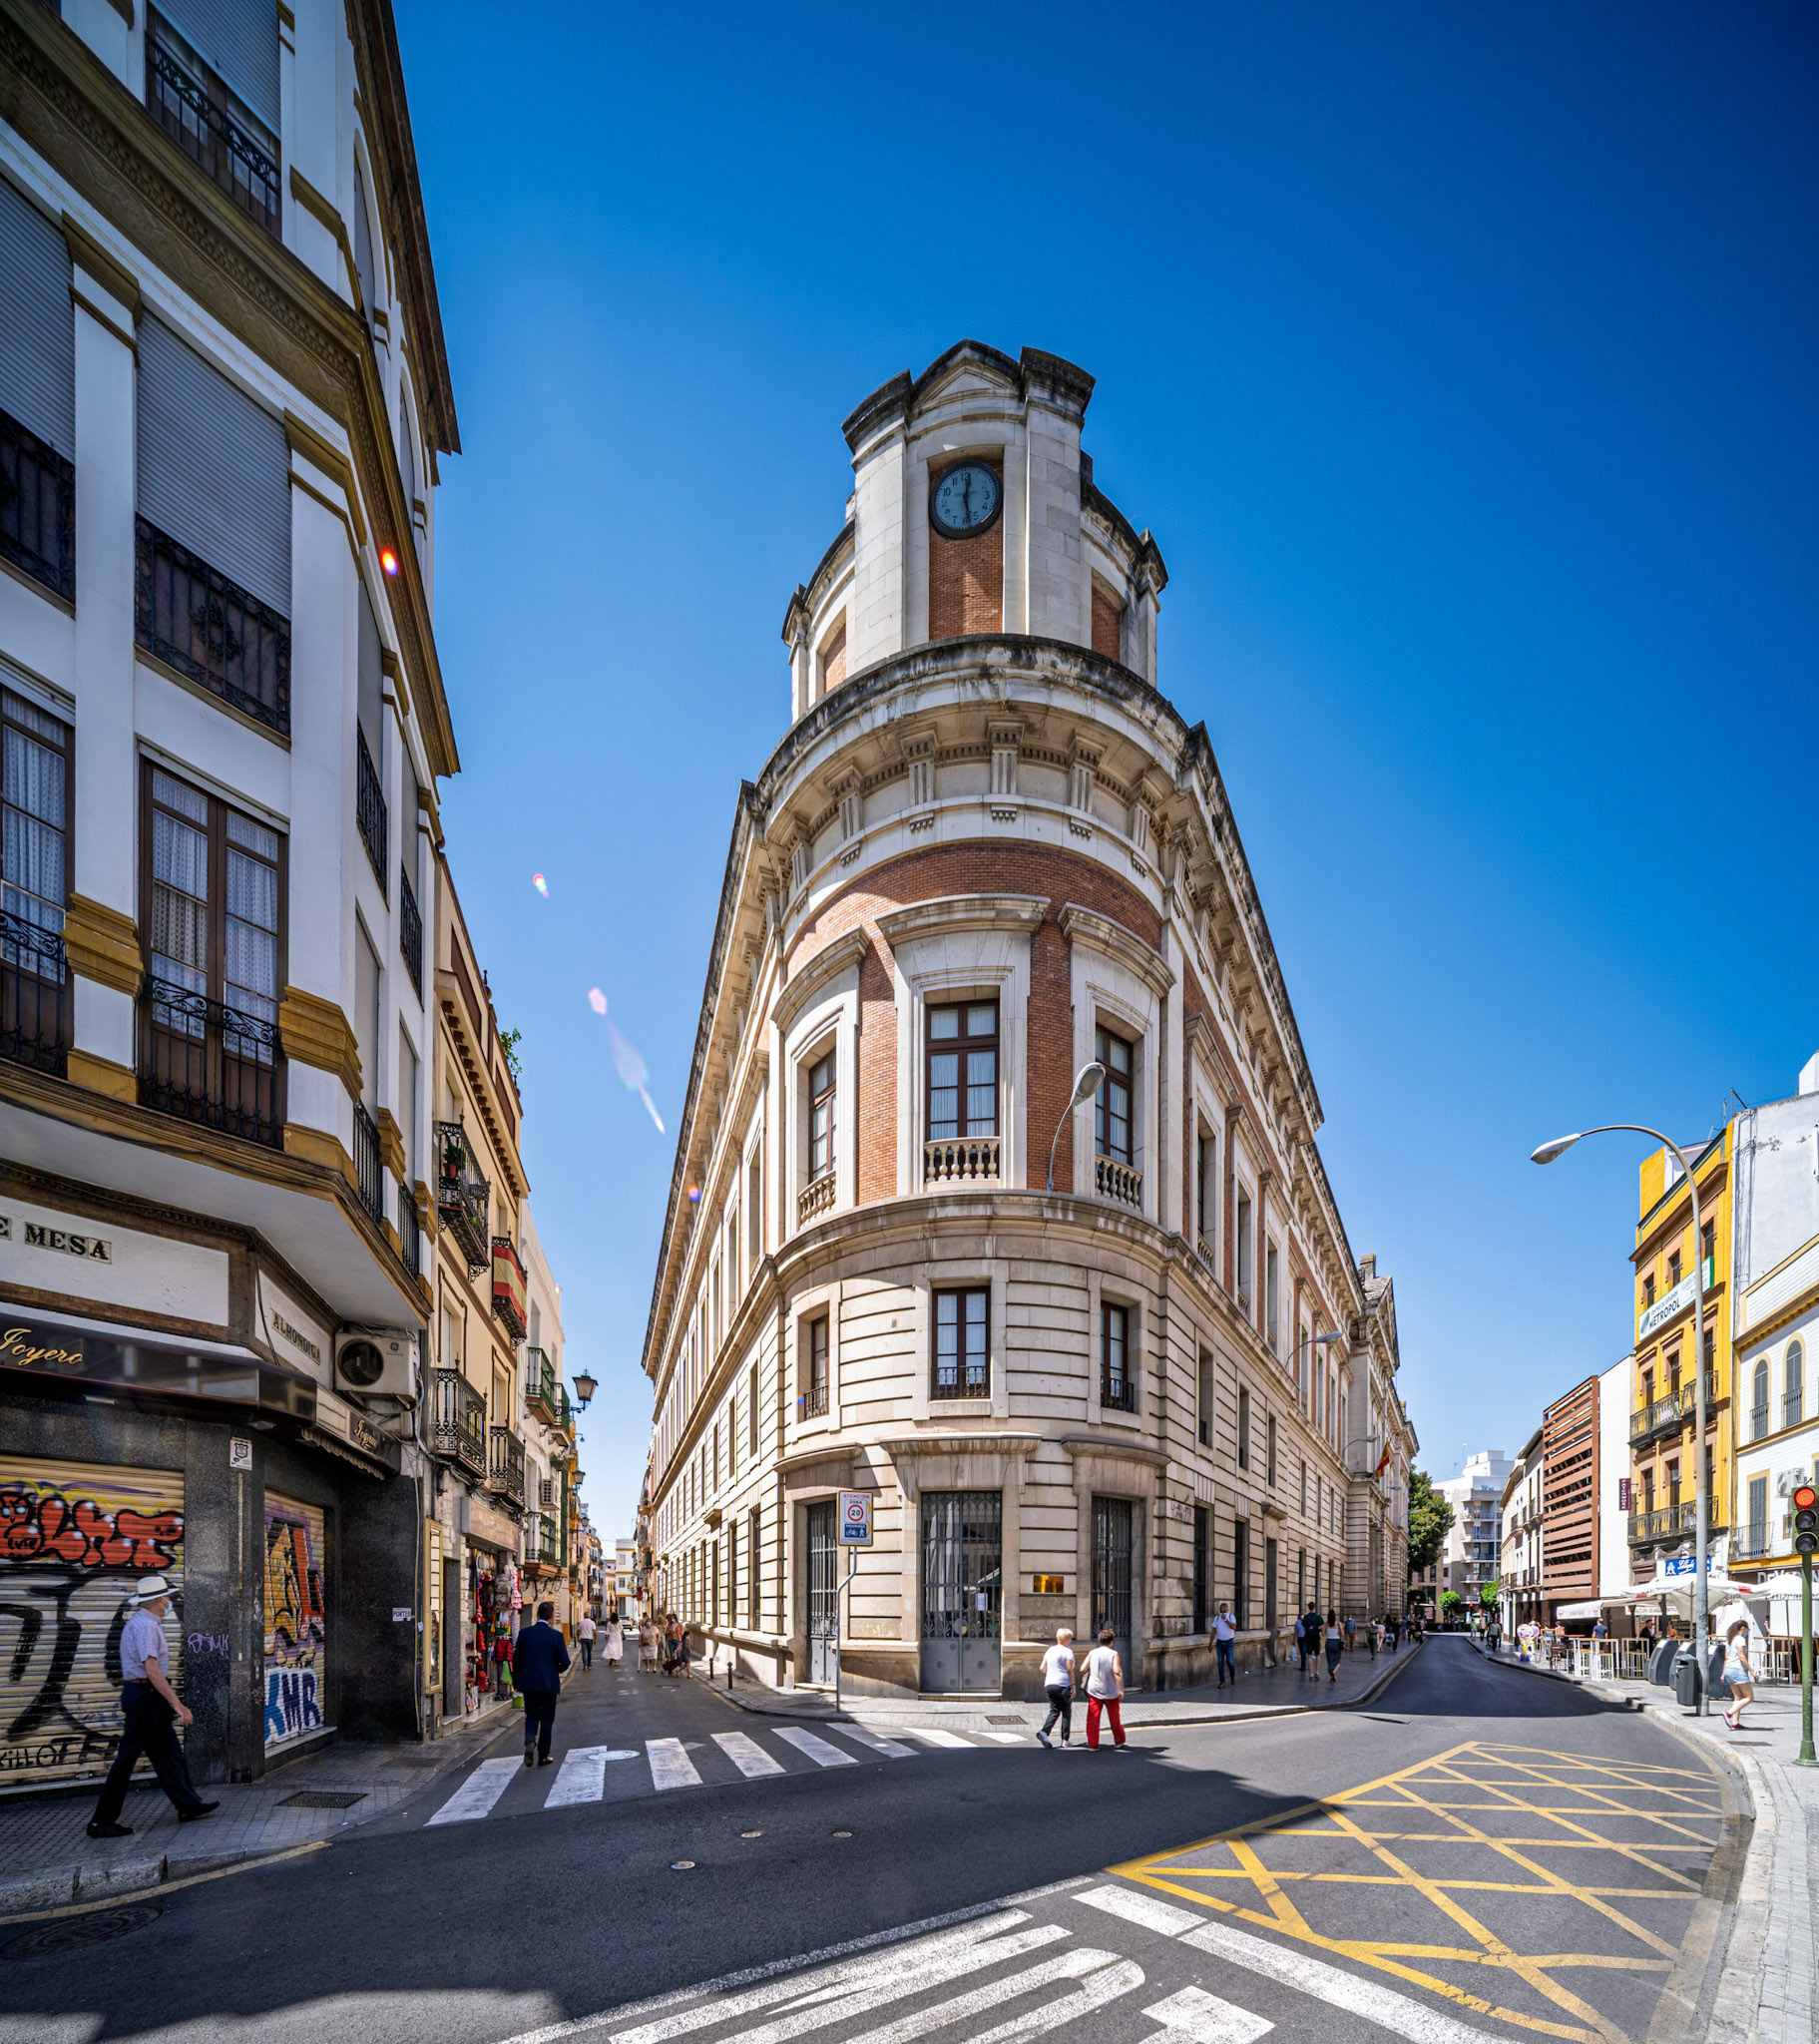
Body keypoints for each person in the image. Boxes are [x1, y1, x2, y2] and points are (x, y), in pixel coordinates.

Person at [88, 1574, 219, 1838]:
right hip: (144, 1697)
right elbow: (151, 1669)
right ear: (159, 1599)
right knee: (125, 1762)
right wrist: (178, 1704)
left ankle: (188, 1805)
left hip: (147, 1697)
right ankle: (100, 1822)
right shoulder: (146, 1626)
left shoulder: (144, 1623)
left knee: (169, 1754)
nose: (169, 1601)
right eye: (168, 1597)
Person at [512, 1599, 572, 1768]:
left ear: (537, 1615)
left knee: (531, 1715)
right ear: (551, 1617)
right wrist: (556, 1670)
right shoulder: (556, 1636)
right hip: (548, 1684)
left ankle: (530, 1742)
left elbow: (516, 1661)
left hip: (528, 1683)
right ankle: (543, 1755)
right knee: (546, 1719)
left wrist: (517, 1682)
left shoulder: (524, 1634)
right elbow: (566, 1662)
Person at [1083, 1628, 1128, 1750]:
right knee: (1114, 1718)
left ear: (1099, 1640)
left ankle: (1092, 1744)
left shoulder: (1092, 1652)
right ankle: (1119, 1741)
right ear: (1112, 1642)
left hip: (1093, 1689)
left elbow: (1082, 1668)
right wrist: (1121, 1689)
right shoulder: (1113, 1654)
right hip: (1110, 1689)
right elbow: (1117, 1672)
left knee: (1093, 1718)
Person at [1036, 1629, 1077, 1748]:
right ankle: (1065, 1740)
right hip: (1063, 1684)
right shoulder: (1067, 1651)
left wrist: (1052, 1673)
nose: (1071, 1641)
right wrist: (1073, 1686)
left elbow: (1042, 1668)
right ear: (1067, 1639)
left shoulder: (1050, 1650)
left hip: (1049, 1684)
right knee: (1066, 1711)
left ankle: (1044, 1732)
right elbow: (1069, 1669)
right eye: (1070, 1639)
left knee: (1054, 1710)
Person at [1722, 1622, 1756, 1731]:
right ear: (1742, 1628)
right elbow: (1741, 1656)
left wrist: (1723, 1673)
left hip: (1729, 1670)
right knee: (1749, 1697)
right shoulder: (1740, 1639)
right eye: (1747, 1629)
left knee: (1738, 1697)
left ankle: (1735, 1723)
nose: (1747, 1632)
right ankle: (1728, 1713)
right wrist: (1752, 1671)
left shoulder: (1730, 1639)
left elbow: (1726, 1658)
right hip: (1738, 1670)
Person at [1213, 1602, 1237, 1688]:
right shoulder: (1216, 1618)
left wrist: (1226, 1620)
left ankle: (1232, 1677)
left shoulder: (1231, 1617)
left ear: (1227, 1609)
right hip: (1219, 1643)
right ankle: (1222, 1682)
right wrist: (1210, 1643)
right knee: (1220, 1663)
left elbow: (1234, 1627)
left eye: (1224, 1611)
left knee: (1230, 1662)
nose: (1222, 1613)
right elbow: (1213, 1631)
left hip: (1229, 1643)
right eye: (1221, 1611)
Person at [1323, 1610, 1344, 1684]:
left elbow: (1323, 1633)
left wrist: (1327, 1631)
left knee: (1329, 1660)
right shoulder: (1338, 1623)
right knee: (1337, 1660)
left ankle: (1332, 1674)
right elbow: (1342, 1633)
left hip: (1328, 1642)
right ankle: (1334, 1671)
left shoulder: (1326, 1624)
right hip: (1336, 1642)